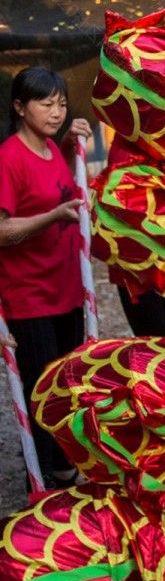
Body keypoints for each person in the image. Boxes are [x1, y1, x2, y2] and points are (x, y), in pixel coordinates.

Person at [0, 66, 92, 489]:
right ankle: (42, 484)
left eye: (60, 103)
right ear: (19, 107)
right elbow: (3, 230)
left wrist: (75, 143)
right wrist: (52, 217)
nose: (56, 112)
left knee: (70, 385)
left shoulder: (54, 150)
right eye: (44, 103)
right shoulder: (8, 158)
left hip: (67, 291)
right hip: (30, 297)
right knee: (42, 392)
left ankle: (60, 465)